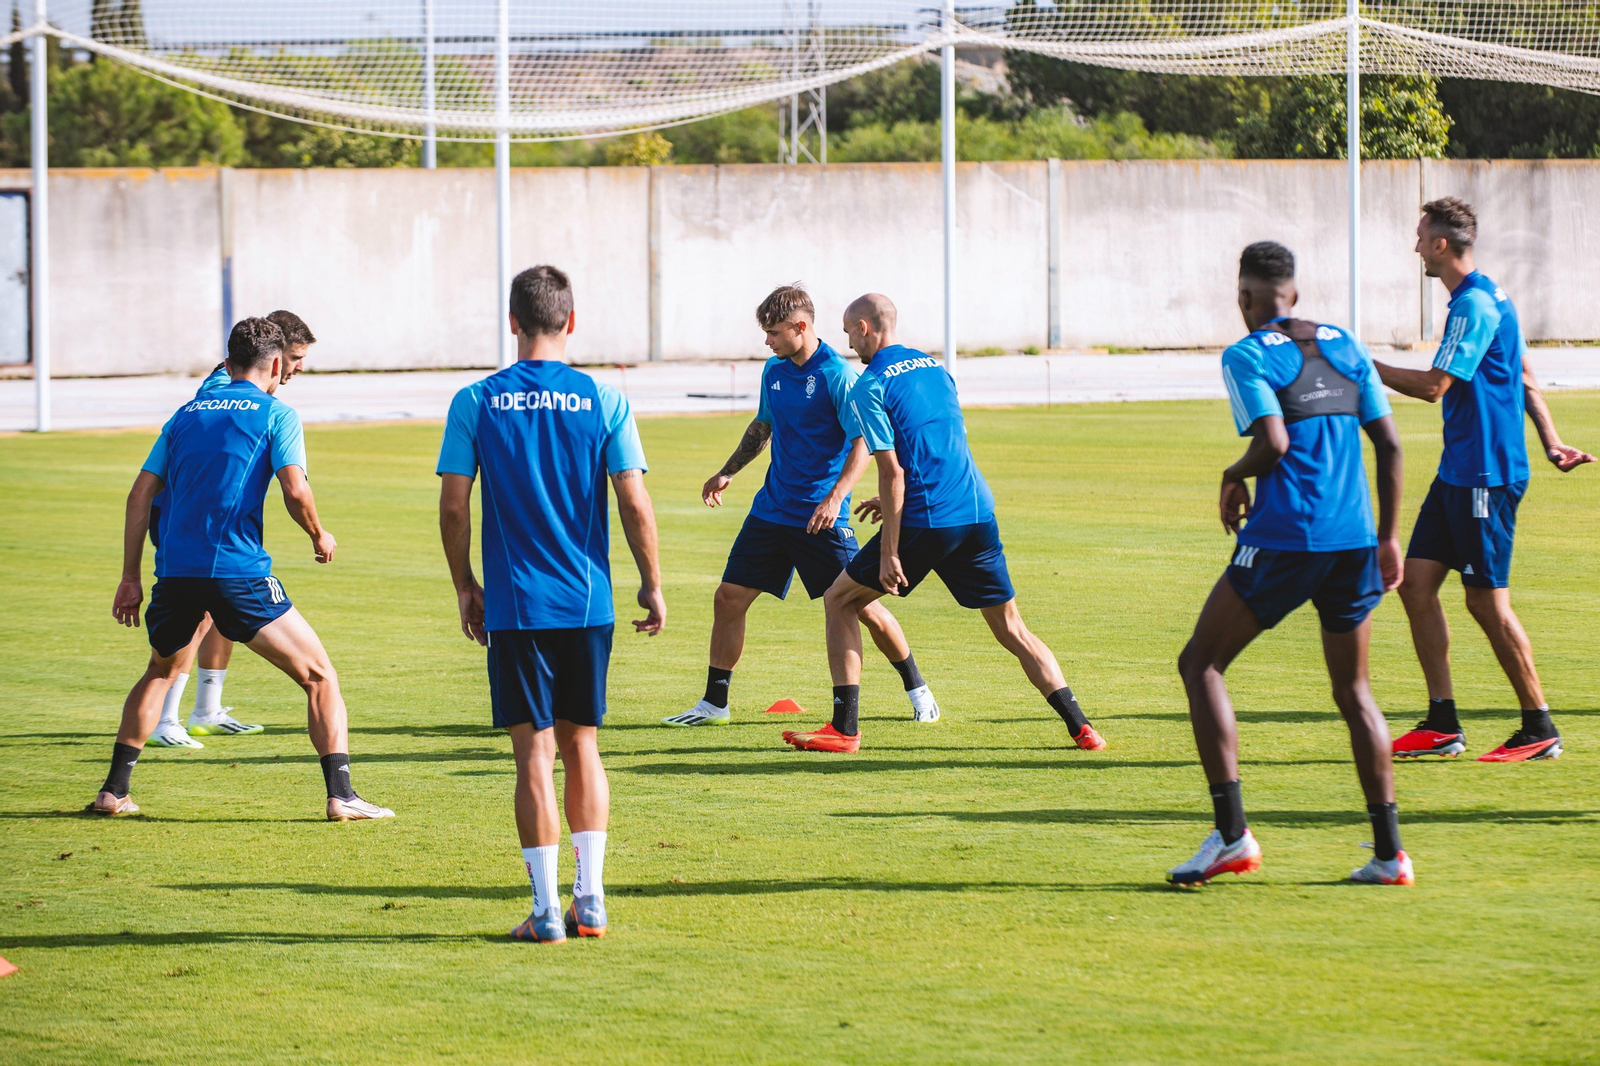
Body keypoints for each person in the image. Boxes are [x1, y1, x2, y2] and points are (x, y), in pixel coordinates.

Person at [1168, 241, 1410, 887]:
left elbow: (1272, 442)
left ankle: (1231, 836)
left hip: (1286, 539)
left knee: (1201, 663)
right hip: (1356, 541)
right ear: (1294, 294)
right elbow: (1389, 445)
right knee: (1354, 691)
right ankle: (1390, 854)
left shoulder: (1247, 353)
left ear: (1244, 298)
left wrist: (1231, 472)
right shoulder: (1347, 344)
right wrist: (1389, 539)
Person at [438, 265, 664, 944]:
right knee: (583, 746)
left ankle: (544, 913)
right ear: (572, 321)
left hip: (516, 606)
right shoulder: (604, 400)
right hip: (588, 604)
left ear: (512, 322)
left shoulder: (475, 401)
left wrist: (465, 585)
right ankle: (590, 899)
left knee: (533, 757)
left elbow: (454, 506)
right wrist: (651, 582)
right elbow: (632, 499)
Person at [97, 317, 392, 822]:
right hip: (237, 572)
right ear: (276, 363)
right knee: (320, 676)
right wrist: (318, 533)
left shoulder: (185, 415)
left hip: (176, 571)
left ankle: (113, 790)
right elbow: (295, 489)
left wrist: (130, 577)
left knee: (161, 671)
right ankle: (342, 795)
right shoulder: (276, 415)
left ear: (228, 362)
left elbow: (140, 494)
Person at [783, 293, 1106, 754]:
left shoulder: (869, 385)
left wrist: (891, 551)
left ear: (864, 328)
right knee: (1012, 628)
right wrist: (901, 497)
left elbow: (893, 471)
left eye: (847, 330)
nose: (847, 340)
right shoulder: (935, 368)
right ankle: (1083, 728)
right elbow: (938, 444)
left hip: (928, 520)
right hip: (976, 512)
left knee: (839, 600)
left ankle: (844, 729)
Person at [1374, 198, 1594, 763]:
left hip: (1486, 478)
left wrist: (1363, 367)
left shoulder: (1473, 306)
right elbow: (1522, 373)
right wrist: (1550, 440)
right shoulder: (1491, 294)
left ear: (1441, 245)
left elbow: (1433, 387)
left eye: (1420, 235)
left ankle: (1539, 726)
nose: (1415, 245)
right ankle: (1443, 723)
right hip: (1458, 474)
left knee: (1486, 604)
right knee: (1416, 585)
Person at [665, 284, 940, 727]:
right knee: (729, 598)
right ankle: (715, 703)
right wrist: (728, 471)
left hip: (819, 518)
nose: (767, 341)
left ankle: (918, 689)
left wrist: (834, 499)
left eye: (774, 332)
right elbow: (763, 426)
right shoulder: (773, 372)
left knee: (863, 607)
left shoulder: (838, 375)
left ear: (801, 326)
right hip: (771, 510)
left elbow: (863, 445)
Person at [149, 310, 319, 747]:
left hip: (218, 521)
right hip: (183, 516)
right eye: (296, 358)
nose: (299, 368)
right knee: (201, 613)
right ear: (275, 356)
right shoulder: (226, 389)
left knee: (220, 611)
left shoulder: (251, 386)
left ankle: (207, 709)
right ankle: (168, 718)